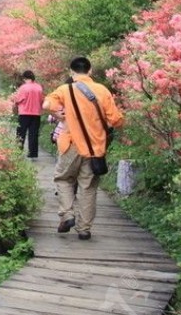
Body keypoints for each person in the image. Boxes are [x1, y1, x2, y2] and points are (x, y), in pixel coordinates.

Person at [43, 57, 124, 240]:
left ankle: (67, 214)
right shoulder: (102, 90)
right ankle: (84, 228)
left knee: (63, 179)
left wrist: (57, 112)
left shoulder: (65, 89)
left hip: (71, 145)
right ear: (90, 70)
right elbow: (116, 120)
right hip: (95, 148)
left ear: (71, 72)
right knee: (88, 187)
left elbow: (46, 104)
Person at [10, 70, 44, 159]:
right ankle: (33, 154)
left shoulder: (23, 88)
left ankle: (18, 152)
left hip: (24, 114)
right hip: (36, 114)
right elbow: (42, 101)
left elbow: (17, 100)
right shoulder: (39, 87)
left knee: (21, 133)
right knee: (34, 134)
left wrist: (14, 107)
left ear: (24, 78)